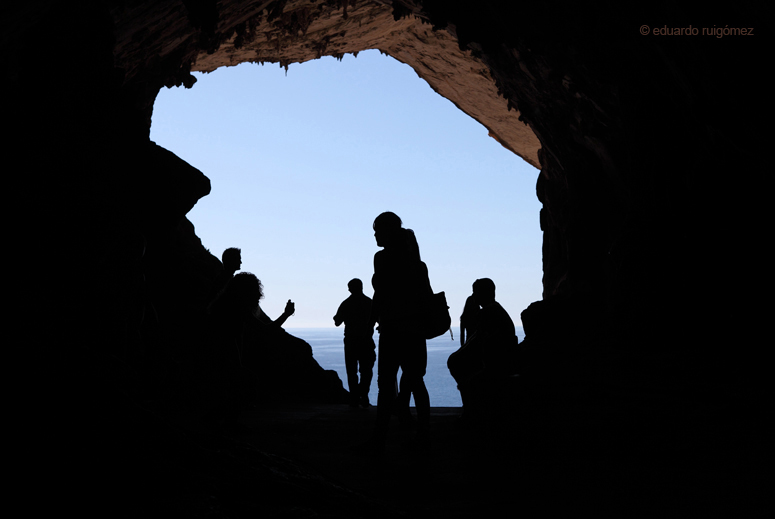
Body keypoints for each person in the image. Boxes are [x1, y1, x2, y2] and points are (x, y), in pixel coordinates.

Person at [368, 211, 433, 452]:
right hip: (414, 329)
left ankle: (379, 439)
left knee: (385, 386)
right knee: (417, 381)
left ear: (387, 231)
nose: (374, 234)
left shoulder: (381, 259)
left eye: (377, 230)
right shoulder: (418, 264)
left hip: (393, 329)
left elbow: (380, 295)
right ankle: (424, 435)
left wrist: (369, 324)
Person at [447, 278, 517, 421]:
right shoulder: (497, 309)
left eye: (475, 292)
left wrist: (455, 357)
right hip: (505, 362)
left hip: (498, 366)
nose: (473, 296)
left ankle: (471, 413)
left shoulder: (487, 313)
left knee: (464, 377)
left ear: (483, 293)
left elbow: (475, 341)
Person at [333, 278, 377, 408]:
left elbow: (337, 322)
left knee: (351, 371)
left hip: (351, 342)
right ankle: (363, 395)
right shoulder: (370, 303)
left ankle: (354, 397)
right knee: (367, 371)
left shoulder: (346, 303)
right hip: (366, 342)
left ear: (351, 288)